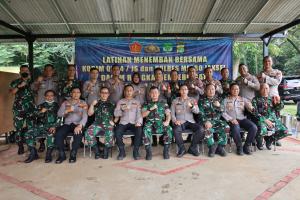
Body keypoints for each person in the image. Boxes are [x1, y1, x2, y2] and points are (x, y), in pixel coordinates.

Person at [24, 90, 59, 163]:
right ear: (45, 97)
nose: (49, 97)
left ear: (54, 97)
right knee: (28, 134)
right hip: (41, 126)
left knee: (50, 134)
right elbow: (32, 116)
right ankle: (33, 153)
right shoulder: (41, 105)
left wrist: (55, 126)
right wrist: (41, 112)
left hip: (52, 126)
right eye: (48, 95)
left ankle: (48, 154)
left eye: (51, 95)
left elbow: (60, 118)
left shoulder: (57, 106)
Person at [222, 83, 257, 155]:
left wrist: (251, 108)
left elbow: (250, 108)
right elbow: (223, 112)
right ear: (230, 90)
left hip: (242, 119)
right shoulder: (225, 100)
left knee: (254, 127)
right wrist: (230, 119)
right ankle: (239, 147)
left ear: (239, 90)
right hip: (232, 120)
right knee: (235, 128)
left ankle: (246, 146)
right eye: (233, 89)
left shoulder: (243, 99)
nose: (235, 91)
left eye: (237, 89)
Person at [55, 87, 88, 164]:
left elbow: (85, 116)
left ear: (80, 94)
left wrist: (80, 125)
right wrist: (66, 111)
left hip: (77, 124)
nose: (76, 94)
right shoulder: (65, 103)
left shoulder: (83, 103)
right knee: (59, 134)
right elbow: (59, 114)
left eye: (78, 92)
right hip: (67, 124)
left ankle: (73, 153)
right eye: (74, 92)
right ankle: (62, 154)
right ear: (71, 94)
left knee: (78, 133)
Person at [31, 64, 59, 153]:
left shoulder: (57, 80)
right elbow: (33, 89)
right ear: (44, 71)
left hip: (54, 106)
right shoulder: (40, 79)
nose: (48, 71)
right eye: (46, 70)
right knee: (41, 123)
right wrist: (37, 82)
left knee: (54, 124)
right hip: (41, 106)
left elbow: (61, 92)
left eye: (50, 70)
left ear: (53, 71)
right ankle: (42, 143)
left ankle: (55, 144)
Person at [252, 83, 289, 150]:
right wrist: (265, 120)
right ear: (260, 90)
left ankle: (270, 140)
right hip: (262, 120)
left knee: (285, 131)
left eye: (266, 88)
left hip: (273, 119)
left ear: (269, 90)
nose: (265, 90)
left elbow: (279, 108)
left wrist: (279, 102)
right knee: (261, 129)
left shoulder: (272, 99)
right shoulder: (255, 99)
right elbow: (255, 112)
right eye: (263, 88)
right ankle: (259, 142)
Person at [171, 84, 204, 157]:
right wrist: (175, 120)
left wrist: (192, 107)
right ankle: (182, 148)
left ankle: (192, 147)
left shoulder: (192, 100)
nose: (184, 91)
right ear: (179, 91)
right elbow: (172, 113)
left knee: (201, 129)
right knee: (176, 130)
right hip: (180, 122)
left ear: (188, 91)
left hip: (190, 121)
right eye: (182, 89)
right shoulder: (175, 101)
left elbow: (197, 111)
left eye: (185, 89)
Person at [9, 64, 35, 155]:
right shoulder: (15, 82)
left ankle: (31, 146)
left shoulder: (32, 82)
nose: (25, 72)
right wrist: (20, 86)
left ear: (29, 72)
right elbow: (12, 92)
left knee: (30, 128)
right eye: (23, 71)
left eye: (26, 71)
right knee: (18, 129)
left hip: (30, 108)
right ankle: (20, 146)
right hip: (18, 109)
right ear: (20, 72)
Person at [198, 84, 229, 157]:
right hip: (207, 121)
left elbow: (223, 111)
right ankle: (211, 147)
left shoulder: (219, 100)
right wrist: (206, 121)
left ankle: (220, 147)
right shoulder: (201, 100)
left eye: (212, 89)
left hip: (216, 121)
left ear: (215, 91)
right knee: (207, 129)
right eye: (209, 89)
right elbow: (200, 113)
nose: (211, 91)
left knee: (226, 126)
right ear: (205, 91)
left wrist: (219, 106)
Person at [142, 86, 173, 160]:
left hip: (160, 123)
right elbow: (143, 115)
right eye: (152, 92)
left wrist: (167, 121)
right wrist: (150, 109)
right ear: (149, 94)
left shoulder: (163, 103)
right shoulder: (146, 103)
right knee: (145, 129)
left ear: (159, 93)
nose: (154, 94)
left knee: (169, 129)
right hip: (150, 124)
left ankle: (166, 151)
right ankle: (149, 152)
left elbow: (168, 114)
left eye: (155, 92)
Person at [85, 87, 115, 159]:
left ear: (108, 94)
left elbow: (116, 115)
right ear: (100, 93)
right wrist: (92, 105)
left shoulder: (112, 104)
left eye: (106, 93)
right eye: (102, 92)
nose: (104, 94)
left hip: (108, 124)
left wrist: (114, 122)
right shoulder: (96, 103)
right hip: (97, 123)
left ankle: (106, 151)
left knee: (110, 133)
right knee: (88, 133)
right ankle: (97, 151)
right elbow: (89, 114)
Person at [114, 85, 143, 160]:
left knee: (139, 130)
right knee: (117, 132)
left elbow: (139, 114)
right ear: (124, 92)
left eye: (130, 90)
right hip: (123, 122)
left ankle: (135, 151)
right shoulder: (120, 101)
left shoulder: (137, 102)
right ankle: (122, 151)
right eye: (127, 90)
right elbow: (116, 113)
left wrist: (139, 122)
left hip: (134, 122)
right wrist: (121, 110)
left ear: (133, 92)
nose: (129, 92)